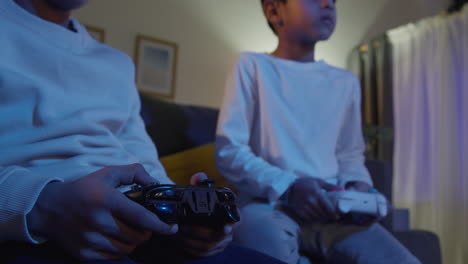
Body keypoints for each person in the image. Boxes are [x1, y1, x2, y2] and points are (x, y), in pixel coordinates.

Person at [0, 1, 285, 263]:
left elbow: (146, 167)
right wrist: (43, 205)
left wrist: (182, 222)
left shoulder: (115, 63)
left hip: (142, 231)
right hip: (33, 234)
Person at [214, 0, 421, 263]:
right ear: (274, 11)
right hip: (268, 205)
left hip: (331, 212)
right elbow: (229, 151)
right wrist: (289, 187)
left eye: (333, 1)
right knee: (262, 236)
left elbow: (349, 155)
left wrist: (359, 187)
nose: (328, 5)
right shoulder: (252, 66)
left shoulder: (344, 82)